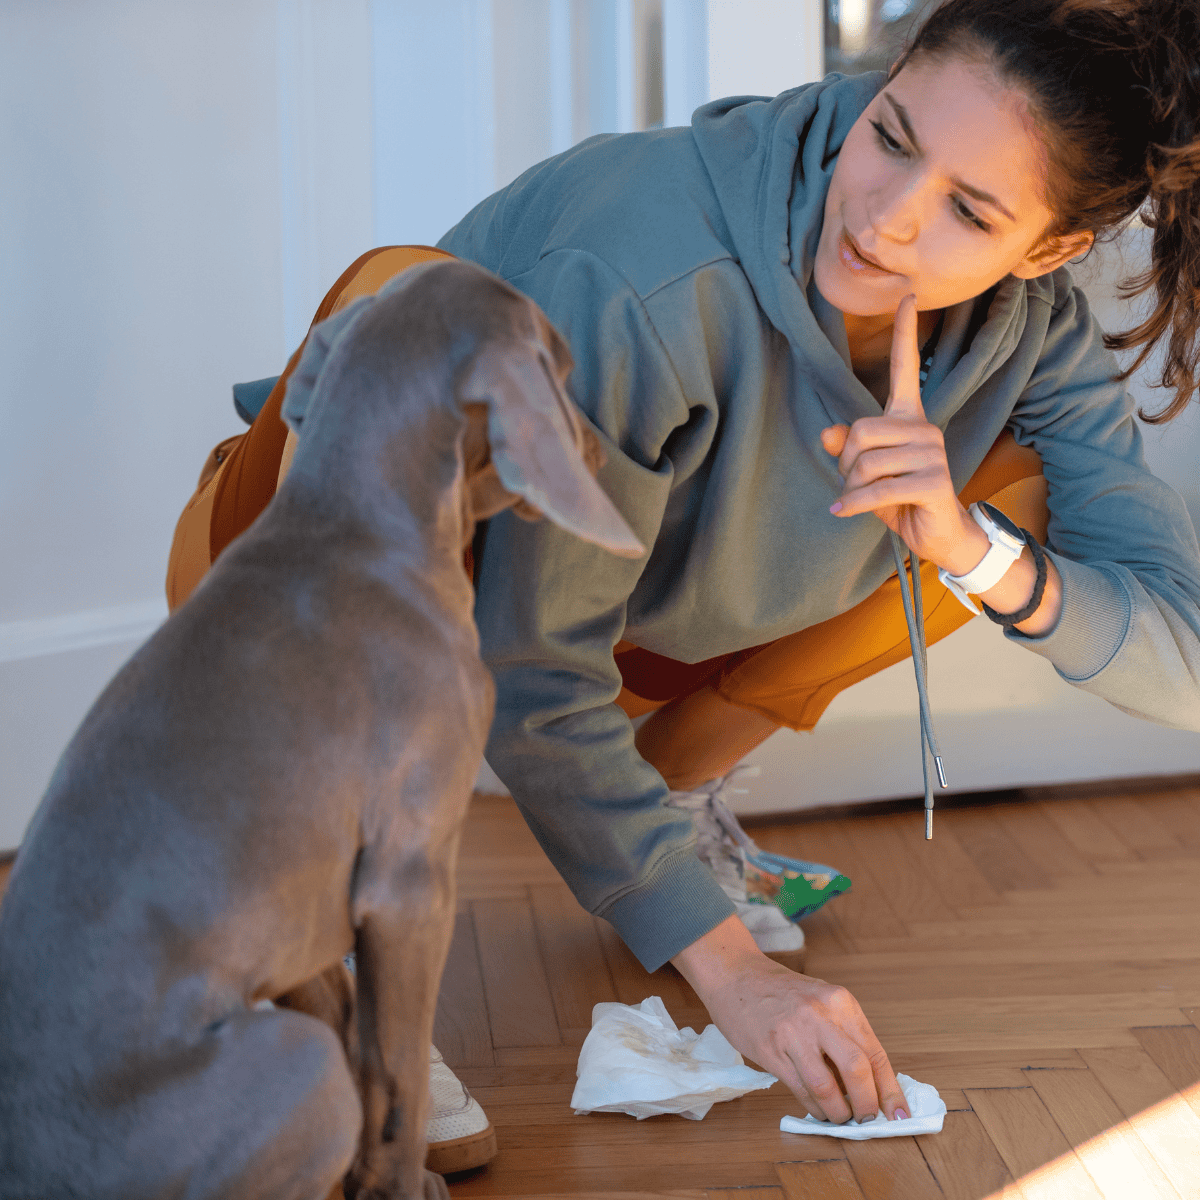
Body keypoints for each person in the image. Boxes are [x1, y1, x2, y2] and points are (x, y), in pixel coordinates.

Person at [170, 0, 1200, 1131]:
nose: (890, 220)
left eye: (969, 209)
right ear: (889, 75)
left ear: (1048, 250)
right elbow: (532, 670)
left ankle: (668, 811)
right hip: (292, 573)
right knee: (403, 304)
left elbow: (1183, 657)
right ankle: (331, 937)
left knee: (997, 497)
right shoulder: (646, 270)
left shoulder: (1030, 327)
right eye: (893, 135)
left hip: (622, 614)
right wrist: (737, 978)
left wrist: (969, 550)